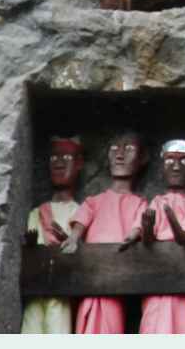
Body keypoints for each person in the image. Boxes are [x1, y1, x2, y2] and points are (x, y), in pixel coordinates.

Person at [60, 132, 149, 333]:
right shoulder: (94, 201)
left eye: (129, 148)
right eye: (114, 148)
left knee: (112, 320)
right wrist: (73, 238)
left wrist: (133, 236)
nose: (120, 155)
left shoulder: (140, 203)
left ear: (142, 158)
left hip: (117, 275)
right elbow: (80, 222)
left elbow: (139, 226)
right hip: (91, 275)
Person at [136, 139, 185, 334]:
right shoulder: (156, 202)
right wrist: (147, 228)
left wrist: (173, 221)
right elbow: (147, 242)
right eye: (169, 161)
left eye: (184, 161)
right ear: (162, 170)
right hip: (156, 276)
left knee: (180, 326)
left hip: (182, 279)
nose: (176, 167)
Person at [21, 137, 83, 333]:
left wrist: (68, 241)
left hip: (61, 292)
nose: (59, 162)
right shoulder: (36, 212)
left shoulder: (80, 212)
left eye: (67, 157)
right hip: (35, 289)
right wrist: (31, 244)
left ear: (79, 164)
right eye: (54, 157)